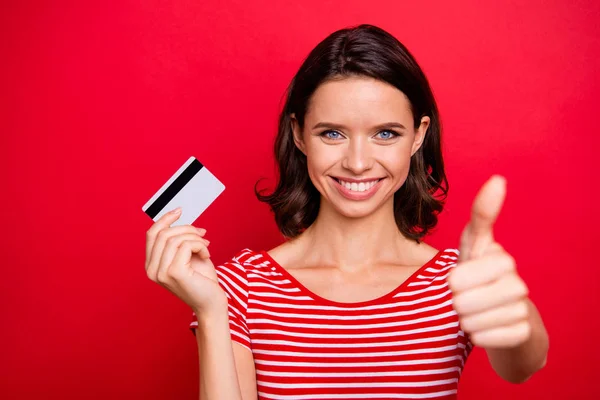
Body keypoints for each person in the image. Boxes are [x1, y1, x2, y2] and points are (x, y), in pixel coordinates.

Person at [144, 24, 549, 400]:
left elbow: (522, 366)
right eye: (332, 133)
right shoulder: (239, 287)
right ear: (300, 134)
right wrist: (211, 311)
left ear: (418, 135)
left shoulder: (458, 282)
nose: (357, 163)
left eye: (385, 133)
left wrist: (515, 316)